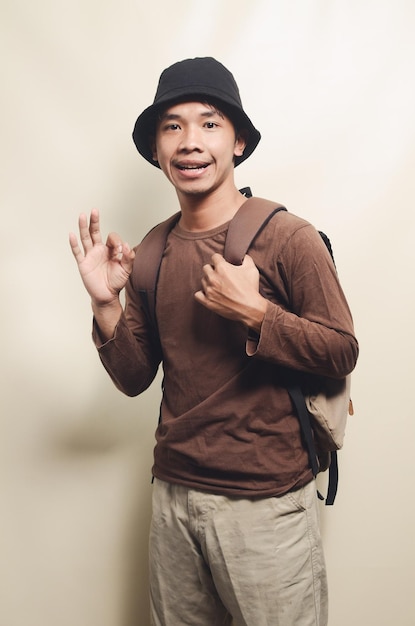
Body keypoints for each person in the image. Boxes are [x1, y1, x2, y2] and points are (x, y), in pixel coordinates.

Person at [69, 57, 358, 626]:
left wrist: (257, 314)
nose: (190, 142)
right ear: (156, 150)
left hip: (266, 505)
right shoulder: (153, 249)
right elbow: (133, 378)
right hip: (173, 497)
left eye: (209, 123)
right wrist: (106, 306)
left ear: (239, 143)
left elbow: (342, 349)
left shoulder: (288, 237)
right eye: (172, 126)